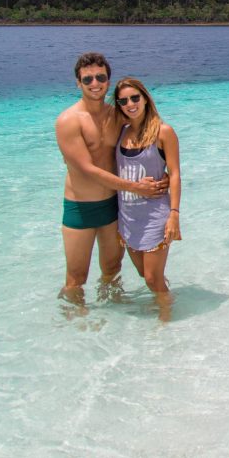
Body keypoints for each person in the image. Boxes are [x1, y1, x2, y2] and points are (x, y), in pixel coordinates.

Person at [55, 53, 167, 307]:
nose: (95, 83)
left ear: (108, 81)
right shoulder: (68, 120)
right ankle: (76, 327)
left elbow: (146, 141)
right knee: (76, 277)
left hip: (113, 206)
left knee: (112, 268)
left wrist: (165, 173)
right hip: (81, 208)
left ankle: (111, 316)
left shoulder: (117, 116)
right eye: (88, 79)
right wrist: (136, 187)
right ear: (78, 83)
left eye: (101, 77)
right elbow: (87, 169)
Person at [113, 77, 182, 321]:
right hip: (128, 217)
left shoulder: (163, 131)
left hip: (155, 215)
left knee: (152, 279)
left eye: (135, 97)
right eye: (123, 100)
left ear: (145, 99)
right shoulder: (121, 132)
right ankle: (163, 296)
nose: (130, 103)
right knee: (146, 274)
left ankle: (166, 321)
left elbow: (174, 174)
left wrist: (174, 214)